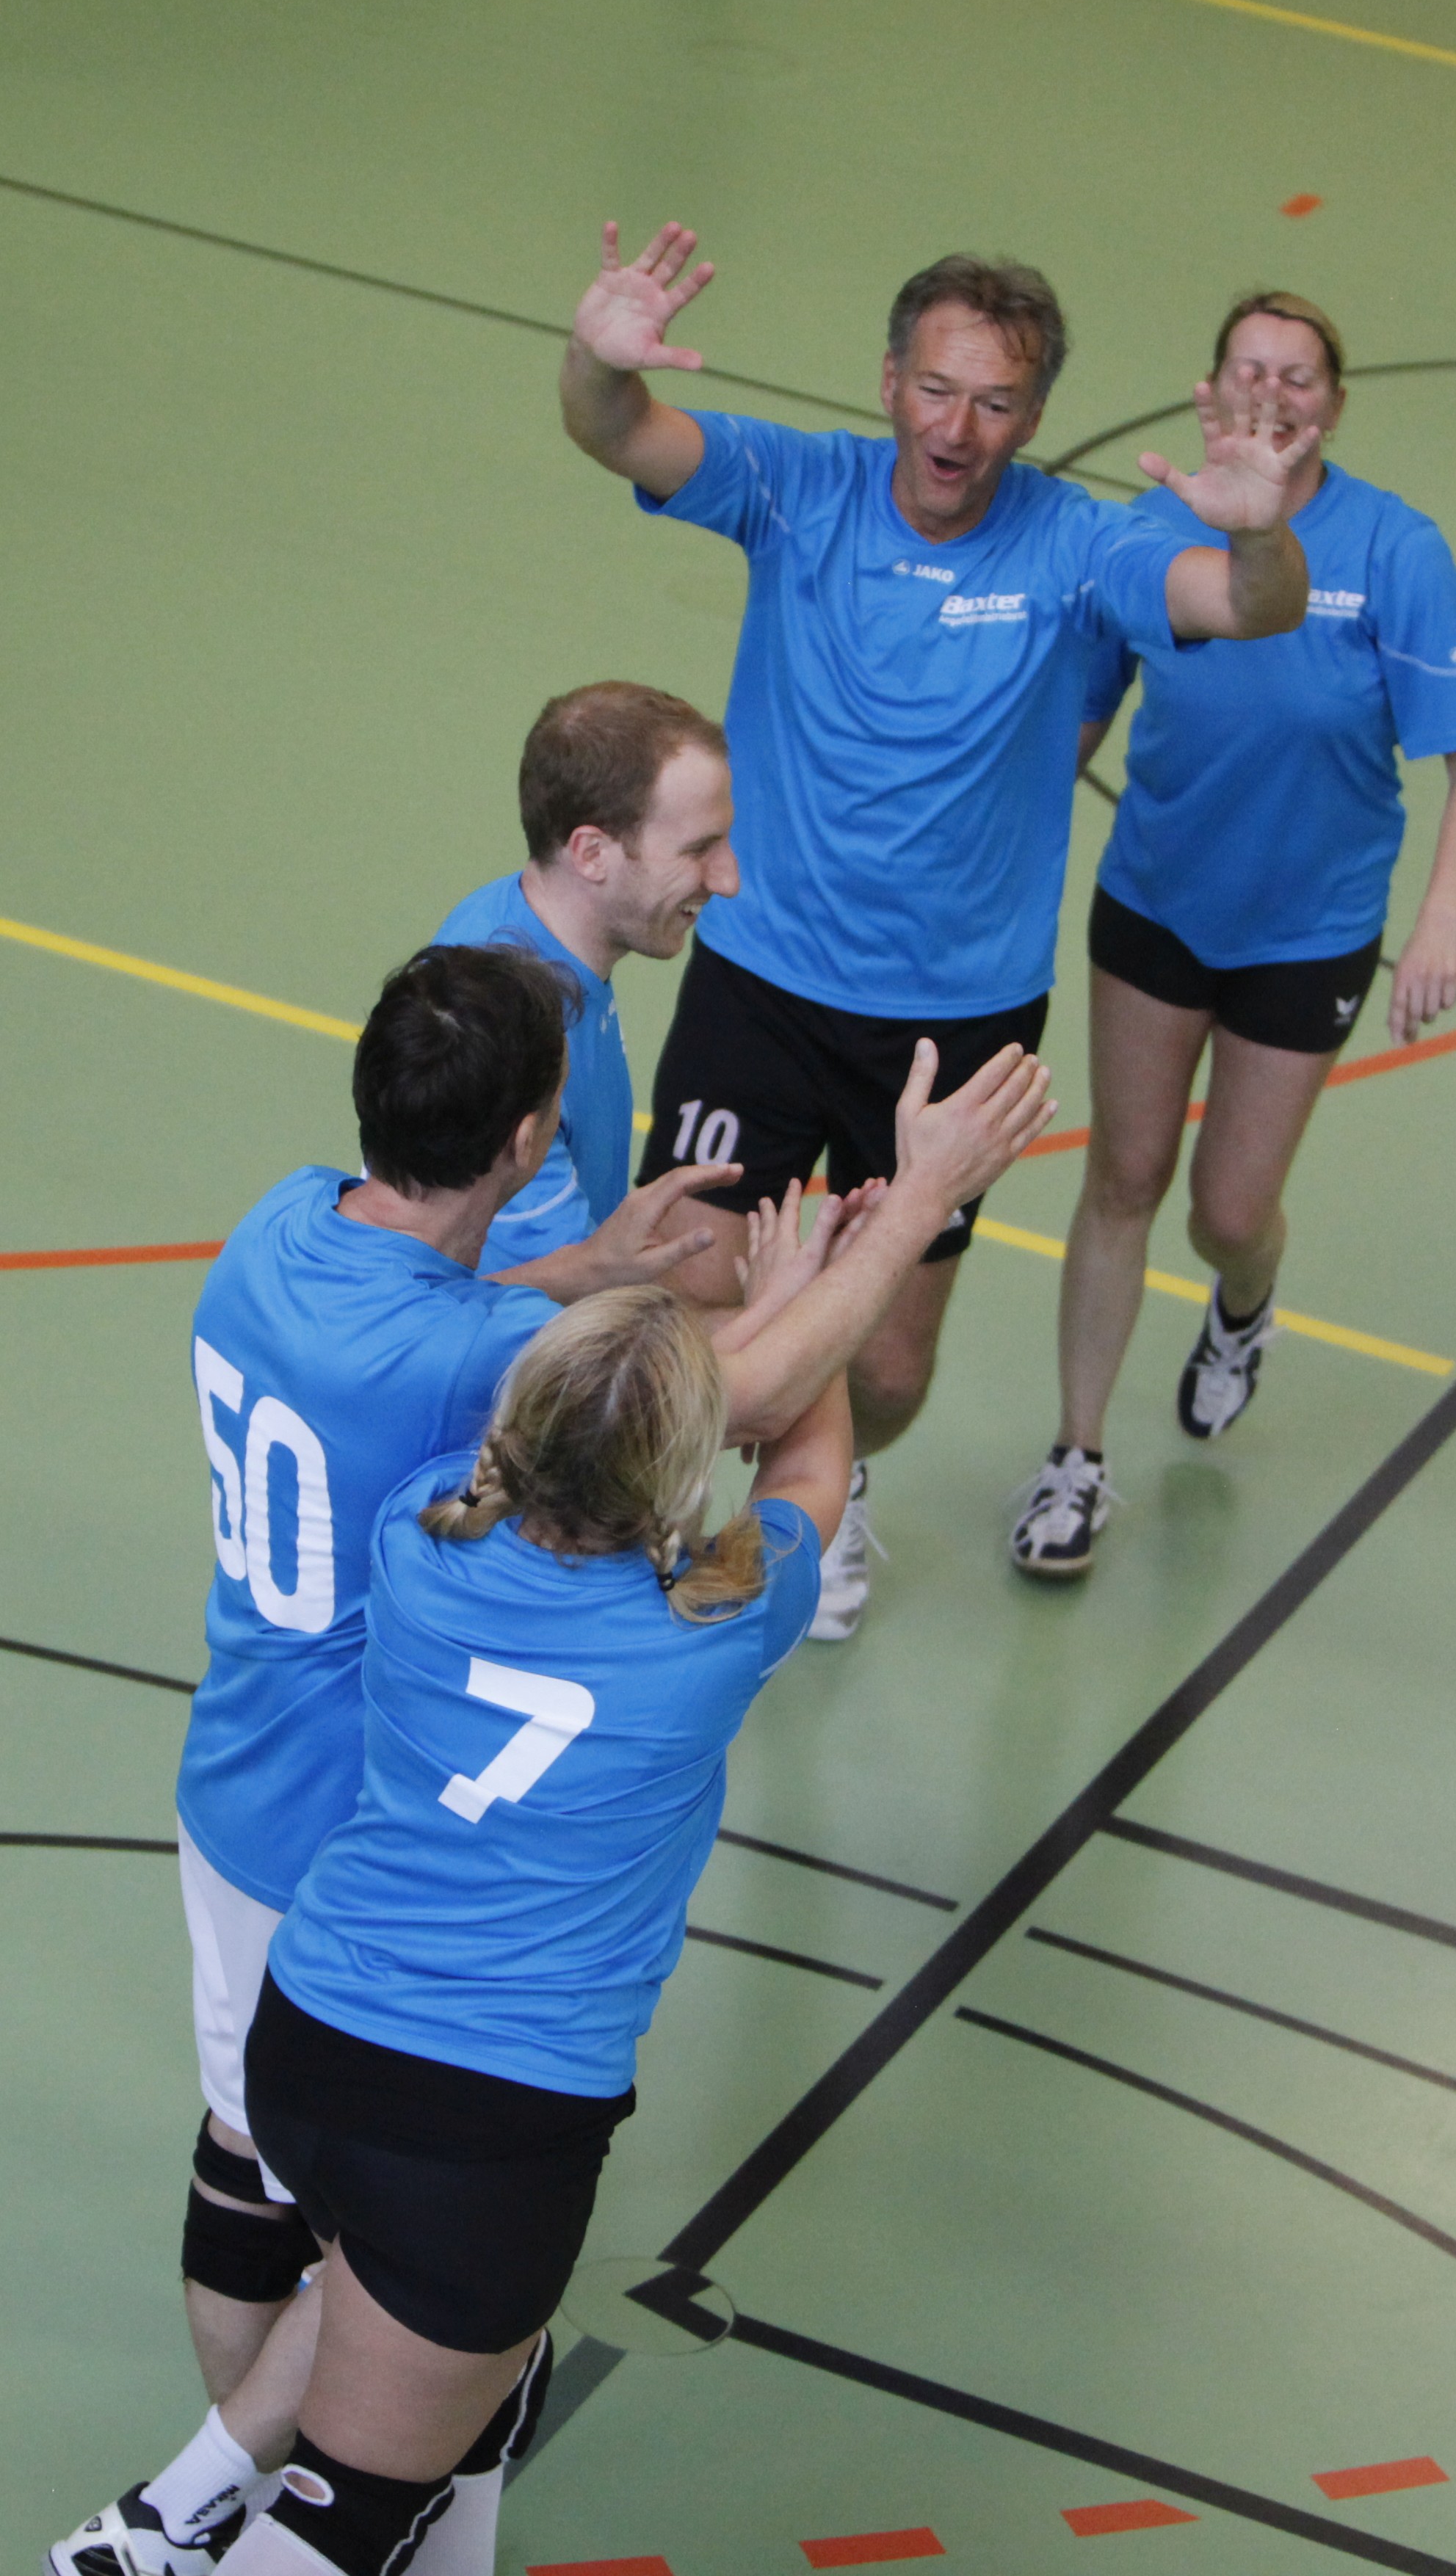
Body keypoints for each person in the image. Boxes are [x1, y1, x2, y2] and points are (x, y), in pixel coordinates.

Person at [57, 950, 1047, 2576]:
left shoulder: (283, 1246)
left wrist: (587, 1270)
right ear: (529, 1138)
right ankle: (264, 2512)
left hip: (255, 1806)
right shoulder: (678, 1612)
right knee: (381, 2353)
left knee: (269, 2168)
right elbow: (768, 1404)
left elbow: (493, 1346)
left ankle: (187, 2501)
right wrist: (901, 1213)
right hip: (369, 1877)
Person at [559, 221, 1319, 1636]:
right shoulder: (797, 488)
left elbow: (1247, 603)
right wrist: (598, 364)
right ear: (889, 380)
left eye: (996, 402)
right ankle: (702, 1511)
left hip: (956, 1020)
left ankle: (831, 1479)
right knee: (683, 1295)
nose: (957, 428)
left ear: (1032, 417)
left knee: (891, 1369)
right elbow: (618, 429)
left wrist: (1261, 526)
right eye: (935, 388)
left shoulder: (1080, 545)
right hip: (763, 979)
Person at [211, 1281, 861, 2576]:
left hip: (307, 2043)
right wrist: (814, 1298)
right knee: (344, 2522)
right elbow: (809, 1460)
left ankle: (180, 2504)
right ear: (681, 1471)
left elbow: (588, 1445)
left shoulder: (418, 1530)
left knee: (416, 2370)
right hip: (485, 2126)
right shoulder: (720, 1621)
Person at [1010, 291, 1456, 1577]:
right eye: (1250, 369)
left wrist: (1440, 915)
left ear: (1332, 403)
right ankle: (1075, 1458)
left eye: (1298, 375)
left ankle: (1242, 1304)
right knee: (1122, 1177)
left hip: (1310, 930)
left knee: (1229, 1211)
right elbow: (1081, 712)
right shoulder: (1152, 529)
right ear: (1212, 389)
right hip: (1157, 901)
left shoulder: (1394, 547)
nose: (1273, 392)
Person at [431, 683, 739, 1272]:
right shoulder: (500, 1030)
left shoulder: (516, 924)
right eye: (698, 849)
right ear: (592, 853)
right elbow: (563, 1299)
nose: (728, 879)